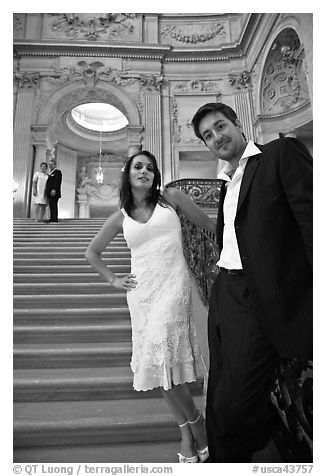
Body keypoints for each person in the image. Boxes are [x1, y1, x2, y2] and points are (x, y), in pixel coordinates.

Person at [191, 102, 313, 462]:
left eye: (220, 125)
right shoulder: (228, 184)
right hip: (224, 292)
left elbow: (312, 221)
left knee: (237, 404)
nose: (217, 137)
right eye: (208, 136)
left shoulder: (279, 154)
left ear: (238, 123)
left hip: (260, 292)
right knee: (217, 394)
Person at [85, 150, 216, 463]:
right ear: (128, 175)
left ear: (155, 174)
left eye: (149, 167)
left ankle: (198, 427)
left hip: (174, 287)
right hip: (142, 294)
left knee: (163, 356)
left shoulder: (171, 198)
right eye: (137, 166)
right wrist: (115, 280)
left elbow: (211, 227)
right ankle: (188, 430)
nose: (144, 170)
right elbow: (92, 253)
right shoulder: (120, 216)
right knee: (158, 367)